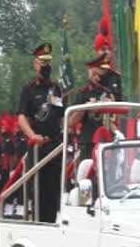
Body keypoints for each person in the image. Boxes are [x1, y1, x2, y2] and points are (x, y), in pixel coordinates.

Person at [17, 43, 64, 223]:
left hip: (54, 145)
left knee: (52, 190)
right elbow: (22, 117)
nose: (46, 66)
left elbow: (60, 115)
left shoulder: (56, 88)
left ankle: (51, 223)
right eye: (42, 62)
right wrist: (32, 136)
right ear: (35, 64)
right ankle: (37, 223)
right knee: (37, 189)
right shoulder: (29, 89)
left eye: (48, 62)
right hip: (37, 147)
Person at [68, 52, 114, 162]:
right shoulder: (83, 93)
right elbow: (71, 122)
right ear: (93, 73)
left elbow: (113, 118)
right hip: (88, 142)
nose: (103, 76)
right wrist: (85, 108)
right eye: (101, 72)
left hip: (105, 141)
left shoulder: (108, 93)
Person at [94, 18, 123, 101]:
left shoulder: (115, 77)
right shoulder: (93, 75)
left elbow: (119, 101)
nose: (107, 52)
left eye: (109, 49)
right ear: (96, 52)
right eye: (103, 49)